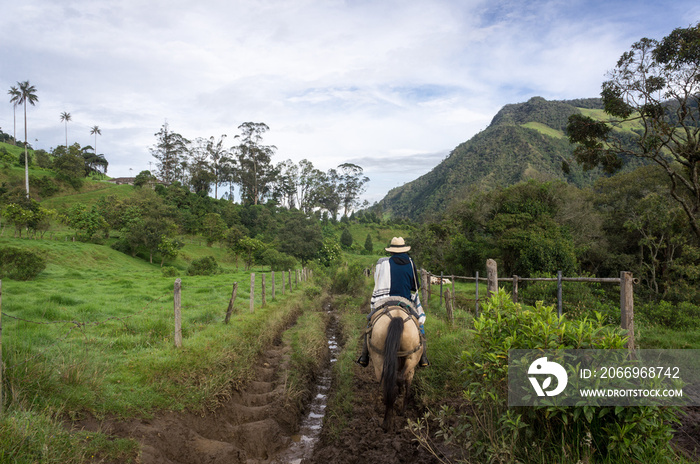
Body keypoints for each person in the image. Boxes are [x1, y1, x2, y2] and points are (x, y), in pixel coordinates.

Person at [357, 237, 429, 368]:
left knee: (370, 323)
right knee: (419, 324)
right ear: (404, 249)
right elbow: (415, 286)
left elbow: (377, 283)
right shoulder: (411, 263)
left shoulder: (383, 263)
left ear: (391, 251)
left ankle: (364, 356)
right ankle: (423, 357)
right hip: (405, 301)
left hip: (385, 300)